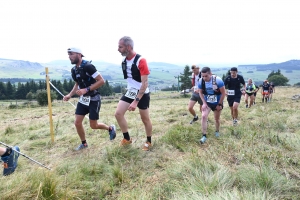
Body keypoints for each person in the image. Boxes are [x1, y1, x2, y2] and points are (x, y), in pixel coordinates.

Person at [63, 47, 116, 151]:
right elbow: (77, 84)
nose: (69, 57)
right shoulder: (74, 70)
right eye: (68, 54)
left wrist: (86, 89)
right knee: (77, 122)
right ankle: (84, 144)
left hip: (94, 99)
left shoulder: (88, 66)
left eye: (71, 54)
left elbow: (101, 81)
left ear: (79, 54)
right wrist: (70, 95)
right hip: (83, 100)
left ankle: (110, 128)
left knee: (94, 125)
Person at [115, 36, 153, 151]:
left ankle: (149, 141)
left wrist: (136, 101)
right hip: (131, 91)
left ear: (128, 47)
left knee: (145, 119)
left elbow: (144, 84)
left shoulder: (141, 60)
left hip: (142, 92)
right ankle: (127, 139)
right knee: (118, 114)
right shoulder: (124, 61)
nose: (118, 49)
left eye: (120, 47)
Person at [198, 67, 226, 144]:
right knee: (203, 116)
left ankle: (217, 131)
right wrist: (204, 103)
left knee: (216, 119)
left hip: (218, 102)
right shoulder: (201, 81)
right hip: (208, 102)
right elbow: (200, 92)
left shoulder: (218, 80)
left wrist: (219, 104)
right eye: (202, 76)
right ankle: (204, 135)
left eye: (206, 76)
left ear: (210, 74)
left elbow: (223, 93)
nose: (204, 78)